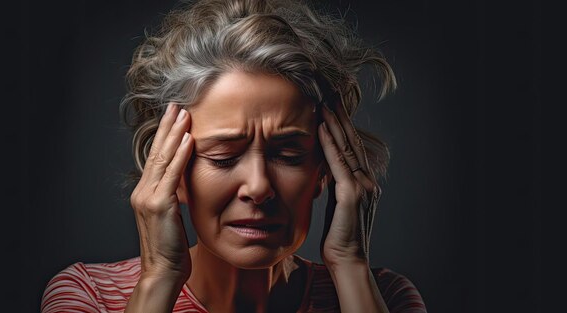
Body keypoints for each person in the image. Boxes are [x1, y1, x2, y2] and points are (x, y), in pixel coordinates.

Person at [41, 0, 427, 312]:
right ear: (172, 172)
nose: (259, 187)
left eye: (289, 155)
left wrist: (351, 267)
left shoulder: (385, 298)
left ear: (325, 170)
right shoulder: (90, 295)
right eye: (223, 157)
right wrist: (159, 281)